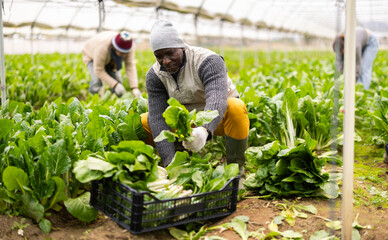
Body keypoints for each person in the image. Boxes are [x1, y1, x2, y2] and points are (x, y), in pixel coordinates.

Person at [141, 19, 249, 178]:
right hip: (186, 122)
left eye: (170, 53)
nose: (166, 61)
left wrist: (204, 130)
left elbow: (217, 98)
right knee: (146, 121)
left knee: (236, 107)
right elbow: (157, 116)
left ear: (182, 47)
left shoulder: (208, 61)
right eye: (159, 56)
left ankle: (236, 172)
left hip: (219, 118)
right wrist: (170, 162)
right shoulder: (154, 75)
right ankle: (177, 160)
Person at [82, 31, 141, 98]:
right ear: (114, 48)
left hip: (109, 58)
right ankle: (93, 101)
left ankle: (116, 103)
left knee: (118, 80)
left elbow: (130, 65)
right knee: (96, 81)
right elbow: (98, 70)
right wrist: (115, 85)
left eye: (126, 53)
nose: (124, 55)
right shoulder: (102, 48)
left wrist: (134, 87)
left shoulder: (129, 47)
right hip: (90, 55)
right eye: (122, 53)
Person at [332, 26, 379, 90]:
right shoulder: (340, 43)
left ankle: (363, 92)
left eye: (342, 52)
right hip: (361, 40)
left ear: (345, 47)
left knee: (364, 69)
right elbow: (340, 62)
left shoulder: (355, 45)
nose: (342, 55)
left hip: (371, 42)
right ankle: (357, 89)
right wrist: (338, 78)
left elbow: (357, 64)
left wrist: (354, 80)